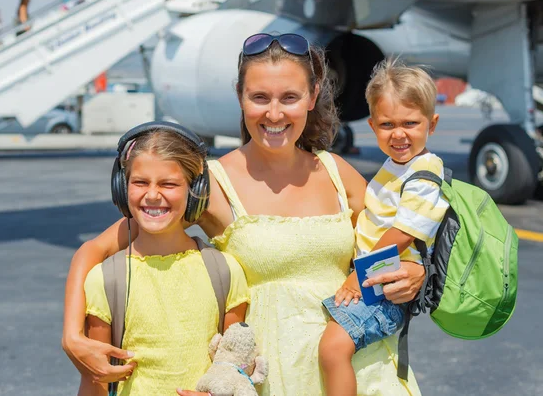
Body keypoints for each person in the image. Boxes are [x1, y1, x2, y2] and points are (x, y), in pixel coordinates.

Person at [62, 33, 427, 396]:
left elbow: (383, 247)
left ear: (312, 96)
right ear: (240, 96)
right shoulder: (212, 184)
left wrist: (413, 272)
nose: (274, 113)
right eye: (260, 98)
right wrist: (73, 338)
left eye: (289, 98)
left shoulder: (337, 173)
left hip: (359, 373)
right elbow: (93, 251)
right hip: (269, 378)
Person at [77, 123, 249, 395]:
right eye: (140, 182)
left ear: (196, 191)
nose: (153, 195)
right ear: (122, 189)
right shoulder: (106, 279)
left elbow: (234, 367)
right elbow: (94, 382)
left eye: (169, 184)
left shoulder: (224, 271)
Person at [319, 59, 449, 396]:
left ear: (431, 124)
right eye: (388, 124)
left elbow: (403, 234)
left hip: (381, 288)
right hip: (376, 278)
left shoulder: (423, 175)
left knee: (333, 348)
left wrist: (357, 276)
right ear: (373, 125)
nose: (399, 134)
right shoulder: (396, 167)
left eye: (411, 123)